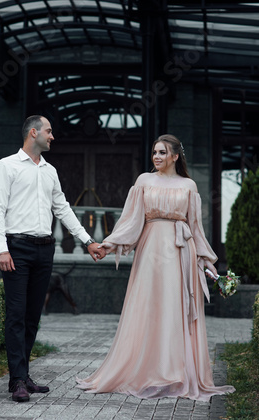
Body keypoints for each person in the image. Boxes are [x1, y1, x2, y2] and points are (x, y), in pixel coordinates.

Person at [76, 134, 235, 401]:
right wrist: (110, 243)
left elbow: (195, 228)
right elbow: (130, 221)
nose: (157, 157)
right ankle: (146, 370)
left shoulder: (189, 185)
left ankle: (175, 373)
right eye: (154, 152)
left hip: (180, 253)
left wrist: (207, 261)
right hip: (150, 251)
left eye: (162, 153)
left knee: (175, 308)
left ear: (175, 156)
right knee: (148, 307)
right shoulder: (143, 181)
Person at [0, 115, 104, 402]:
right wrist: (1, 249)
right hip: (16, 249)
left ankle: (23, 375)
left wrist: (87, 241)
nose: (52, 136)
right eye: (49, 131)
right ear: (33, 132)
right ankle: (17, 381)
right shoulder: (6, 166)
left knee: (31, 317)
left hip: (44, 250)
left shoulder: (50, 171)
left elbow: (63, 209)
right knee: (16, 315)